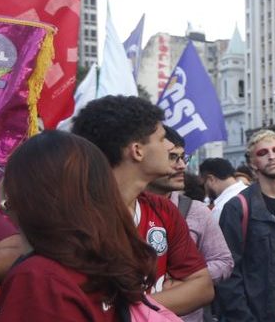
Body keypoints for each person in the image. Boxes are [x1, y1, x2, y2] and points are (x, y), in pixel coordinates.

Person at [0, 131, 171, 320]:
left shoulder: (39, 278)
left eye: (6, 174)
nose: (1, 181)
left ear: (26, 192)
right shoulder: (99, 263)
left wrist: (6, 205)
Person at [72, 95, 213, 316]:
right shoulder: (75, 217)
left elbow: (202, 288)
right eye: (161, 138)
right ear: (137, 150)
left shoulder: (163, 209)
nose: (169, 146)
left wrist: (126, 308)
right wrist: (159, 301)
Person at [146, 126, 234, 322]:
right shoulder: (125, 209)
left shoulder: (197, 211)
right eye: (172, 157)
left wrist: (187, 281)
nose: (181, 166)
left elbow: (223, 261)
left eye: (183, 158)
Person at [218, 129, 275, 321]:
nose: (272, 156)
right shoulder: (237, 208)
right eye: (262, 153)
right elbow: (229, 273)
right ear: (252, 163)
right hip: (256, 315)